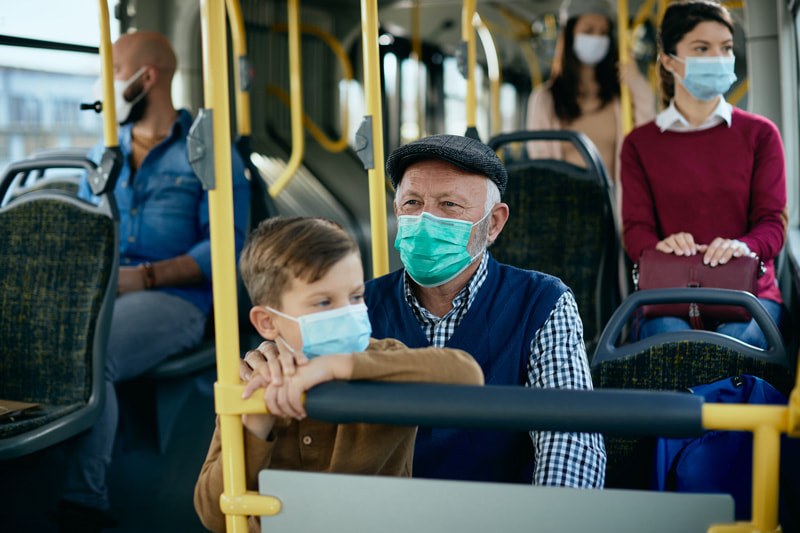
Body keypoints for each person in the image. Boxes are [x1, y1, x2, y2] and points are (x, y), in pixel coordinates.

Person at [244, 134, 607, 487]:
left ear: (493, 223)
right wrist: (277, 359)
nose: (425, 219)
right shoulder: (353, 309)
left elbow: (570, 439)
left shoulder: (541, 303)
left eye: (449, 205)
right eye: (413, 203)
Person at [56, 31, 251, 532]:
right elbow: (82, 230)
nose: (104, 85)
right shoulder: (104, 156)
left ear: (146, 78)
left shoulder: (206, 149)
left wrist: (142, 277)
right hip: (104, 294)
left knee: (91, 351)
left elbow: (226, 246)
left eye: (113, 72)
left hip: (177, 298)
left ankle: (85, 502)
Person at [194, 216, 484, 533]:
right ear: (267, 322)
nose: (347, 312)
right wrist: (257, 425)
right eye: (323, 301)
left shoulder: (385, 359)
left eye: (356, 297)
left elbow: (466, 374)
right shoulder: (252, 382)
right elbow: (214, 514)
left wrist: (338, 365)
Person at [621, 0, 787, 347]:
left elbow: (773, 224)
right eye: (702, 48)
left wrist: (741, 246)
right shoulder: (640, 144)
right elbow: (636, 232)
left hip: (750, 291)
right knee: (669, 341)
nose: (718, 58)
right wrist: (660, 247)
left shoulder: (761, 135)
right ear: (668, 60)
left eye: (725, 48)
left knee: (734, 346)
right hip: (667, 294)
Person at [527, 0, 655, 183]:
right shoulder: (545, 99)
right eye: (588, 31)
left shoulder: (620, 97)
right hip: (566, 204)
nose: (596, 38)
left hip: (612, 207)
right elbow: (541, 162)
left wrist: (636, 82)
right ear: (570, 34)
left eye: (603, 33)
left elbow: (648, 136)